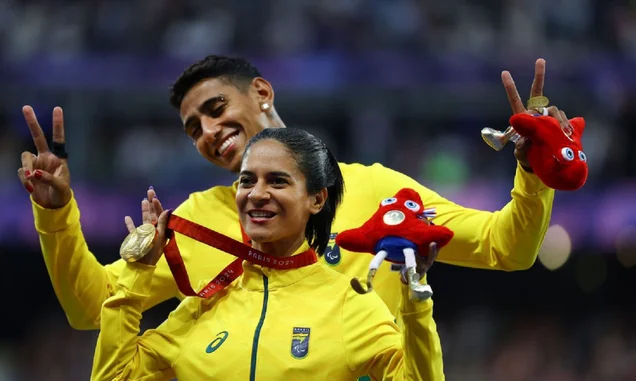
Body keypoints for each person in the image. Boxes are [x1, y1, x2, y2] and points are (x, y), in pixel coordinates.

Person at [19, 55, 566, 380]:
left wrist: (536, 171)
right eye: (193, 128)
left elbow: (507, 247)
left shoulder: (378, 189)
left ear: (261, 93)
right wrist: (57, 216)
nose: (208, 132)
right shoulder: (200, 220)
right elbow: (92, 308)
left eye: (215, 109)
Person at [91, 127, 436, 380]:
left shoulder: (350, 305)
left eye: (277, 181)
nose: (256, 194)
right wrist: (138, 274)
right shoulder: (202, 308)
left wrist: (415, 296)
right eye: (247, 181)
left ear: (316, 199)